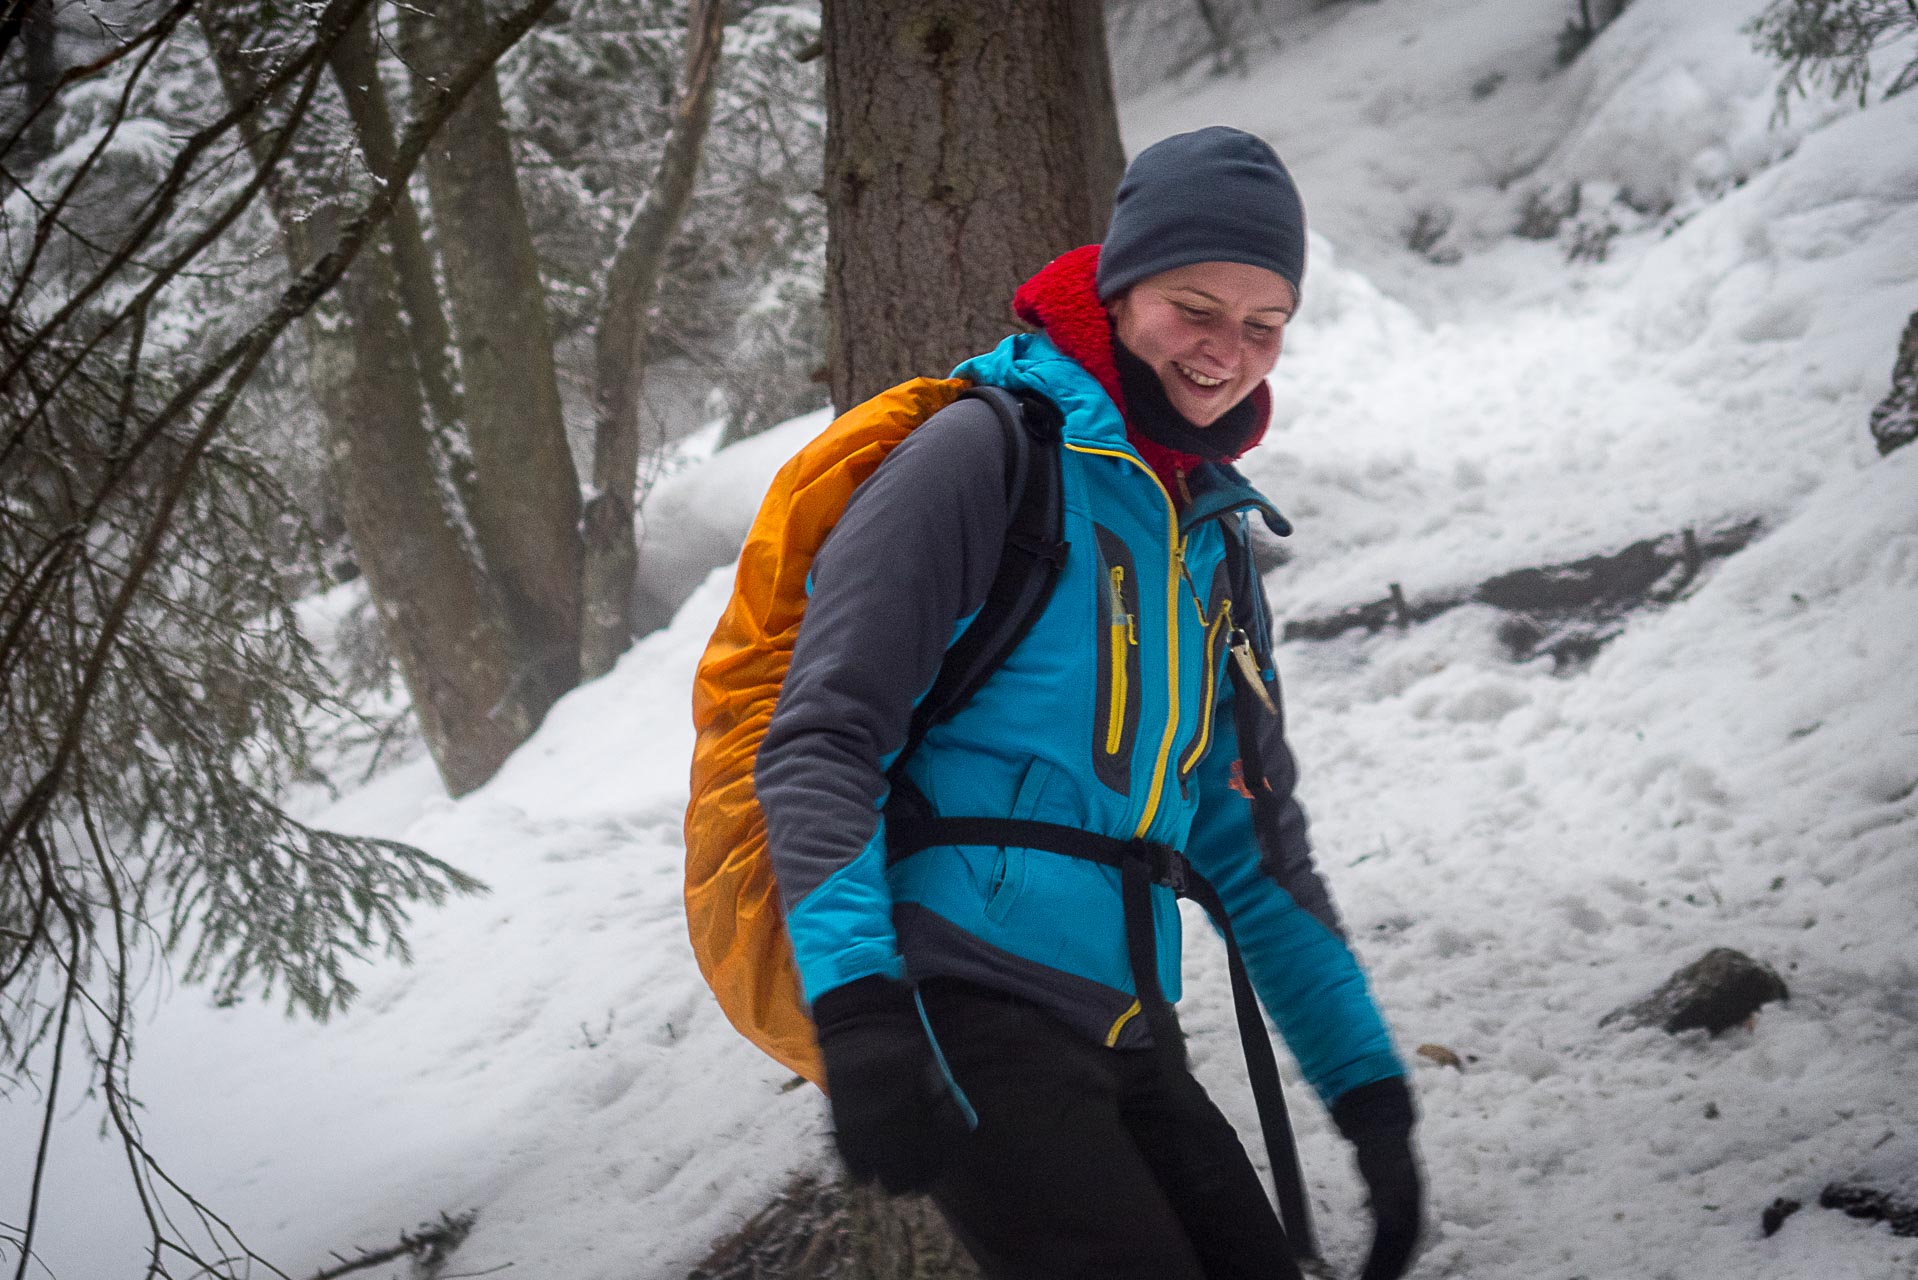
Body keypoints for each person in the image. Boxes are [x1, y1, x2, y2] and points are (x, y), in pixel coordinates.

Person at [757, 127, 1422, 1280]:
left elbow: (1252, 848)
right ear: (1118, 290)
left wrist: (1369, 1095)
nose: (1228, 352)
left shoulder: (1205, 536)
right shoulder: (982, 457)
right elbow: (823, 738)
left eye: (1264, 325)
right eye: (1195, 306)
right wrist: (861, 1009)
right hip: (961, 996)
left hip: (1124, 1018)